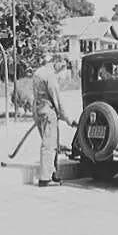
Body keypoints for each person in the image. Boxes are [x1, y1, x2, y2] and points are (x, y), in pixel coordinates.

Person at [33, 53, 77, 187]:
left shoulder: (38, 73)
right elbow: (57, 100)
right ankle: (45, 178)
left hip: (38, 111)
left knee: (51, 143)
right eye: (62, 66)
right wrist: (69, 120)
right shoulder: (50, 76)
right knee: (50, 145)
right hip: (48, 112)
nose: (62, 69)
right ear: (57, 62)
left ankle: (53, 173)